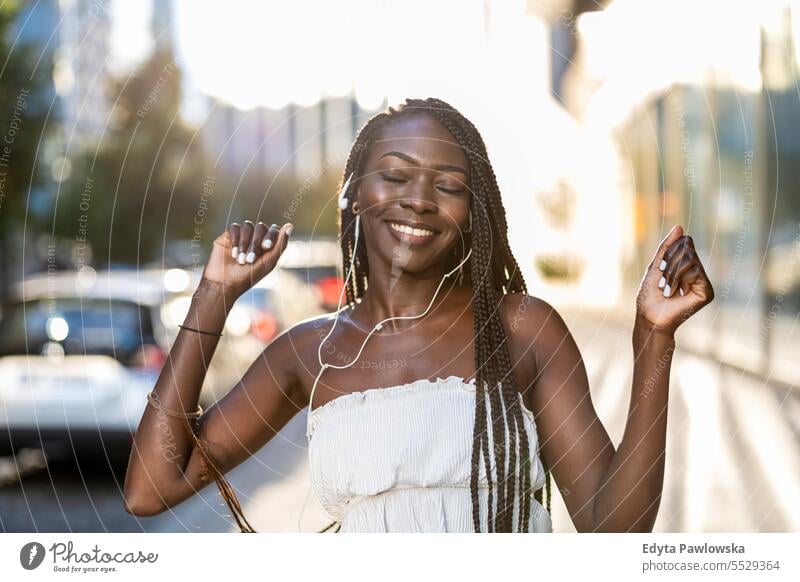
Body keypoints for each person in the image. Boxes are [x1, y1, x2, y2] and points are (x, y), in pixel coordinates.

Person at [123, 97, 715, 533]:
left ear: (472, 210)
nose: (419, 199)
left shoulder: (522, 329)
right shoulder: (310, 354)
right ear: (354, 193)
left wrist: (653, 339)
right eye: (396, 175)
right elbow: (150, 489)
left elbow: (614, 530)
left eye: (448, 184)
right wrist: (214, 294)